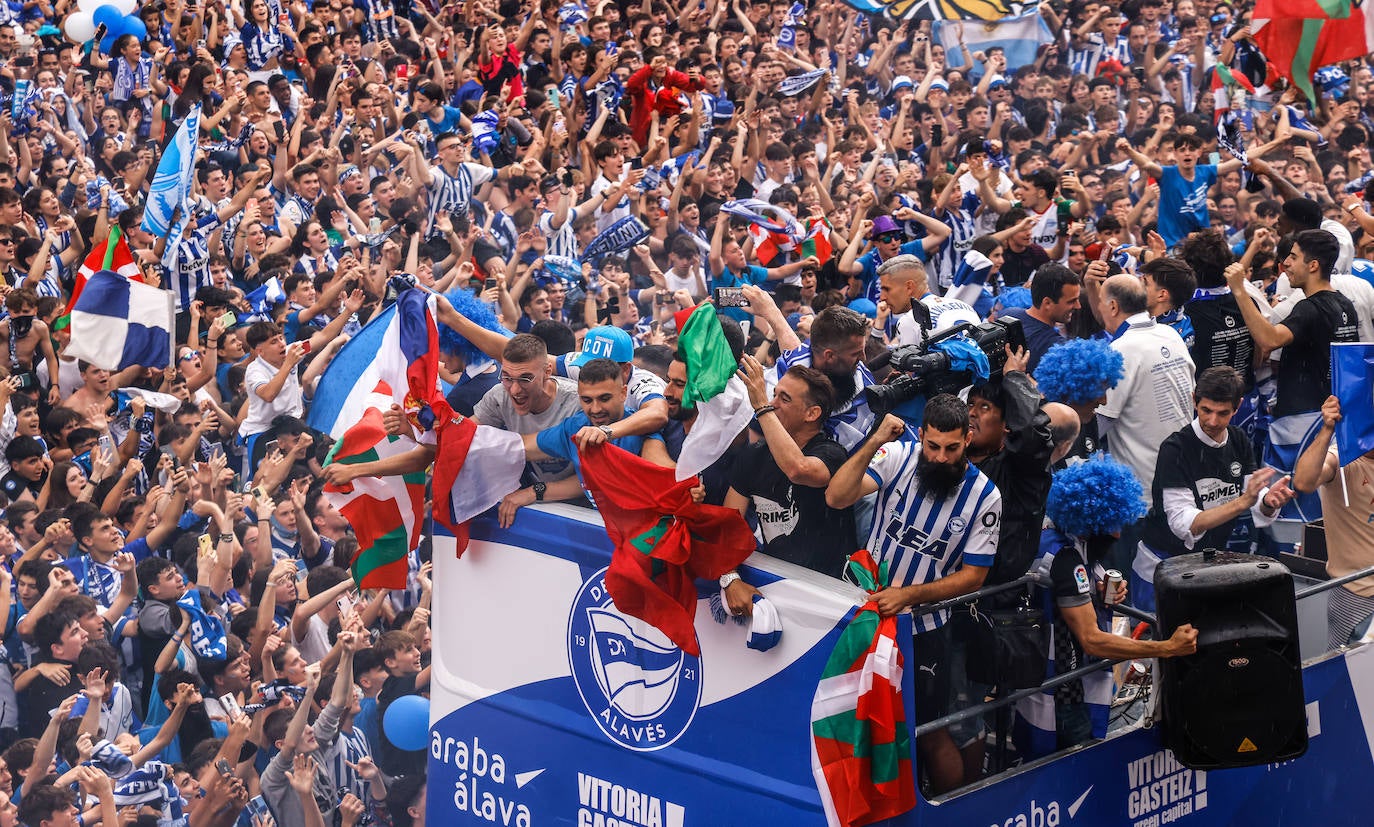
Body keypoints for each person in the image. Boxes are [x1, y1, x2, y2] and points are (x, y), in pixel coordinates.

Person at [826, 398, 1002, 794]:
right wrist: (872, 442)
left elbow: (975, 575)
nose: (940, 458)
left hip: (924, 630)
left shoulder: (986, 495)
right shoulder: (898, 456)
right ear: (920, 435)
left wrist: (909, 595)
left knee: (927, 729)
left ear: (968, 439)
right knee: (856, 719)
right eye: (933, 446)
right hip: (866, 616)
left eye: (952, 448)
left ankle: (948, 816)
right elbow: (836, 497)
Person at [1134, 367, 1295, 611]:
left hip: (1207, 566)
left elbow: (1253, 493)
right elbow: (1183, 524)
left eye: (1223, 413)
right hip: (1163, 567)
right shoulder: (1175, 449)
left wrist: (1267, 501)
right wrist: (1243, 502)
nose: (1212, 421)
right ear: (1194, 400)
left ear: (1238, 406)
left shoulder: (1238, 438)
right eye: (1206, 410)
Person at [721, 359, 855, 592]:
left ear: (812, 413)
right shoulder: (754, 456)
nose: (773, 403)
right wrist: (730, 578)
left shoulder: (832, 454)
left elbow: (798, 470)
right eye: (773, 395)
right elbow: (727, 523)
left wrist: (761, 407)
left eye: (784, 399)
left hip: (829, 594)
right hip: (775, 584)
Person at [1294, 396, 1374, 649]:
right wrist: (1327, 428)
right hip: (1357, 597)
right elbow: (1304, 482)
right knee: (1348, 683)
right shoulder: (1341, 459)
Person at [998, 263, 1083, 372]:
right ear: (1047, 303)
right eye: (1071, 301)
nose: (1078, 306)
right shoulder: (1057, 350)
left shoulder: (1007, 315)